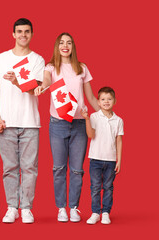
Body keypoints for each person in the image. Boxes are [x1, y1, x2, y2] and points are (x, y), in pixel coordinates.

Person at [35, 32, 99, 222]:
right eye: (62, 43)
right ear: (57, 46)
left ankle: (74, 208)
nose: (65, 46)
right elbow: (46, 81)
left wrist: (106, 115)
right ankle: (61, 208)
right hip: (58, 123)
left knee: (77, 169)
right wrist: (42, 87)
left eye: (69, 43)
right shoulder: (50, 67)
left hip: (79, 123)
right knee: (59, 168)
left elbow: (92, 97)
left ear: (73, 46)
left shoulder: (82, 68)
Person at [0, 18, 45, 224]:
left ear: (32, 34)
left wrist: (17, 81)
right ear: (13, 34)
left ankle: (26, 208)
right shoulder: (1, 58)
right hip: (7, 122)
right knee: (9, 167)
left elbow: (35, 90)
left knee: (30, 167)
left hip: (30, 121)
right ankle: (12, 207)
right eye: (19, 31)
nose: (23, 35)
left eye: (27, 31)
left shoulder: (38, 60)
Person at [81, 86, 124, 225]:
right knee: (95, 187)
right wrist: (87, 119)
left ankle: (105, 212)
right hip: (95, 158)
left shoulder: (118, 120)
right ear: (98, 102)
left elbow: (119, 140)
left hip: (110, 160)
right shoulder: (94, 117)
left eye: (109, 99)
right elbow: (90, 135)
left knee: (108, 187)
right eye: (103, 99)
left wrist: (119, 160)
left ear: (115, 101)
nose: (106, 102)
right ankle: (95, 213)